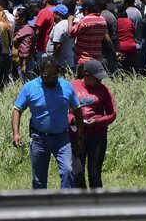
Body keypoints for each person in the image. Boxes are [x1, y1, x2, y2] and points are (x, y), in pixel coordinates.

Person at [12, 54, 84, 190]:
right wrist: (16, 133)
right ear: (40, 72)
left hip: (62, 138)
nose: (50, 78)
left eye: (54, 75)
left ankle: (64, 206)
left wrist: (80, 133)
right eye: (47, 75)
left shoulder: (66, 87)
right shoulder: (29, 88)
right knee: (39, 179)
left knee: (68, 171)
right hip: (39, 139)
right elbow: (17, 110)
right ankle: (41, 207)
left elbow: (78, 110)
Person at [71, 58, 116, 189]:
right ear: (87, 75)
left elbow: (112, 113)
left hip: (98, 136)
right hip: (77, 135)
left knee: (94, 173)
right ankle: (82, 202)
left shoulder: (103, 90)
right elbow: (64, 109)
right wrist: (73, 120)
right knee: (77, 172)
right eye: (97, 78)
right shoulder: (72, 86)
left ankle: (98, 204)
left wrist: (98, 121)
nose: (100, 81)